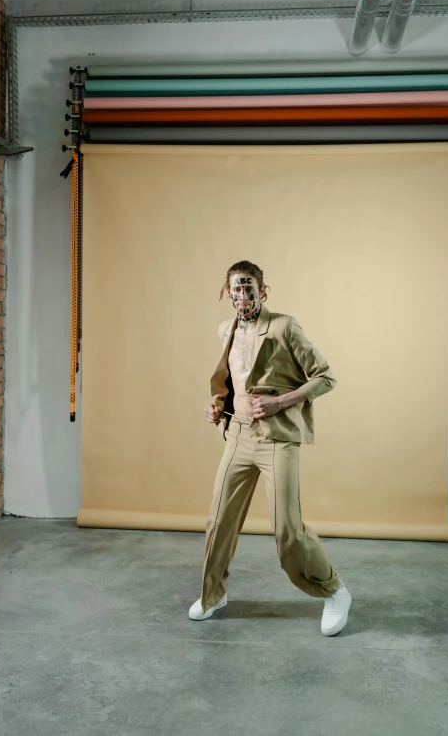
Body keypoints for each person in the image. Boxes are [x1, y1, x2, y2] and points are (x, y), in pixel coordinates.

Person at [189, 260, 352, 636]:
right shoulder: (224, 329)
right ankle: (214, 594)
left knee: (287, 530)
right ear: (226, 293)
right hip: (238, 436)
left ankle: (334, 591)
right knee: (219, 521)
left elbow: (325, 377)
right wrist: (219, 408)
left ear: (262, 291)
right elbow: (234, 381)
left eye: (249, 288)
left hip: (277, 437)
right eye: (236, 288)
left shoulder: (284, 326)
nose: (242, 294)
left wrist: (281, 402)